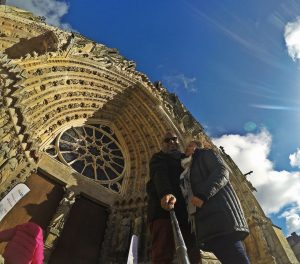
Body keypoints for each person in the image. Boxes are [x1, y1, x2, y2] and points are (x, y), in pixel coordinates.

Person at [182, 140, 250, 264]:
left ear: (198, 146)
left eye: (190, 146)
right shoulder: (189, 168)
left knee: (235, 258)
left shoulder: (205, 154)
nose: (186, 148)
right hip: (209, 222)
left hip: (220, 217)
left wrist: (203, 195)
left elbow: (222, 171)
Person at [146, 132, 200, 264]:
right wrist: (166, 192)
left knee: (193, 252)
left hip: (187, 212)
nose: (171, 142)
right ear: (162, 144)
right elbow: (159, 174)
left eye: (174, 139)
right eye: (167, 140)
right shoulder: (159, 157)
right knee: (162, 252)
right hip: (163, 209)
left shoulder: (187, 159)